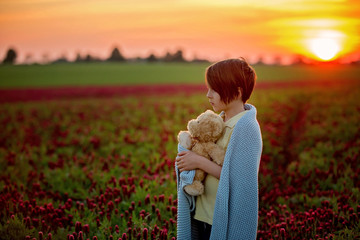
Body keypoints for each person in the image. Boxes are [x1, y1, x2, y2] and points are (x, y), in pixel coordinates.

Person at [175, 58, 263, 240]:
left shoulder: (246, 128)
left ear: (237, 91)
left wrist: (198, 161)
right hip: (203, 213)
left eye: (214, 89)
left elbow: (239, 181)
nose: (208, 95)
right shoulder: (217, 123)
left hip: (220, 217)